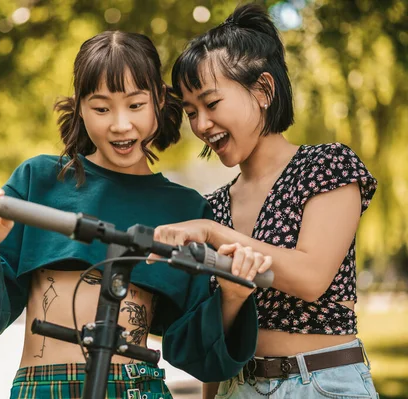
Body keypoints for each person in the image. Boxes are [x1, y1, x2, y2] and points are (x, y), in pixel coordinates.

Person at [0, 31, 272, 399]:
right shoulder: (38, 181)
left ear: (159, 103)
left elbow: (201, 357)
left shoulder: (185, 210)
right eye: (101, 108)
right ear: (80, 107)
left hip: (138, 389)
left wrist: (231, 296)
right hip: (43, 389)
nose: (120, 124)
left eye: (135, 105)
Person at [153, 4, 379, 398]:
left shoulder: (327, 165)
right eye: (191, 112)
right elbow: (218, 335)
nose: (201, 124)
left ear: (263, 90)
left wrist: (211, 233)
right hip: (235, 388)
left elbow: (311, 278)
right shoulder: (215, 204)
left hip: (321, 384)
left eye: (211, 103)